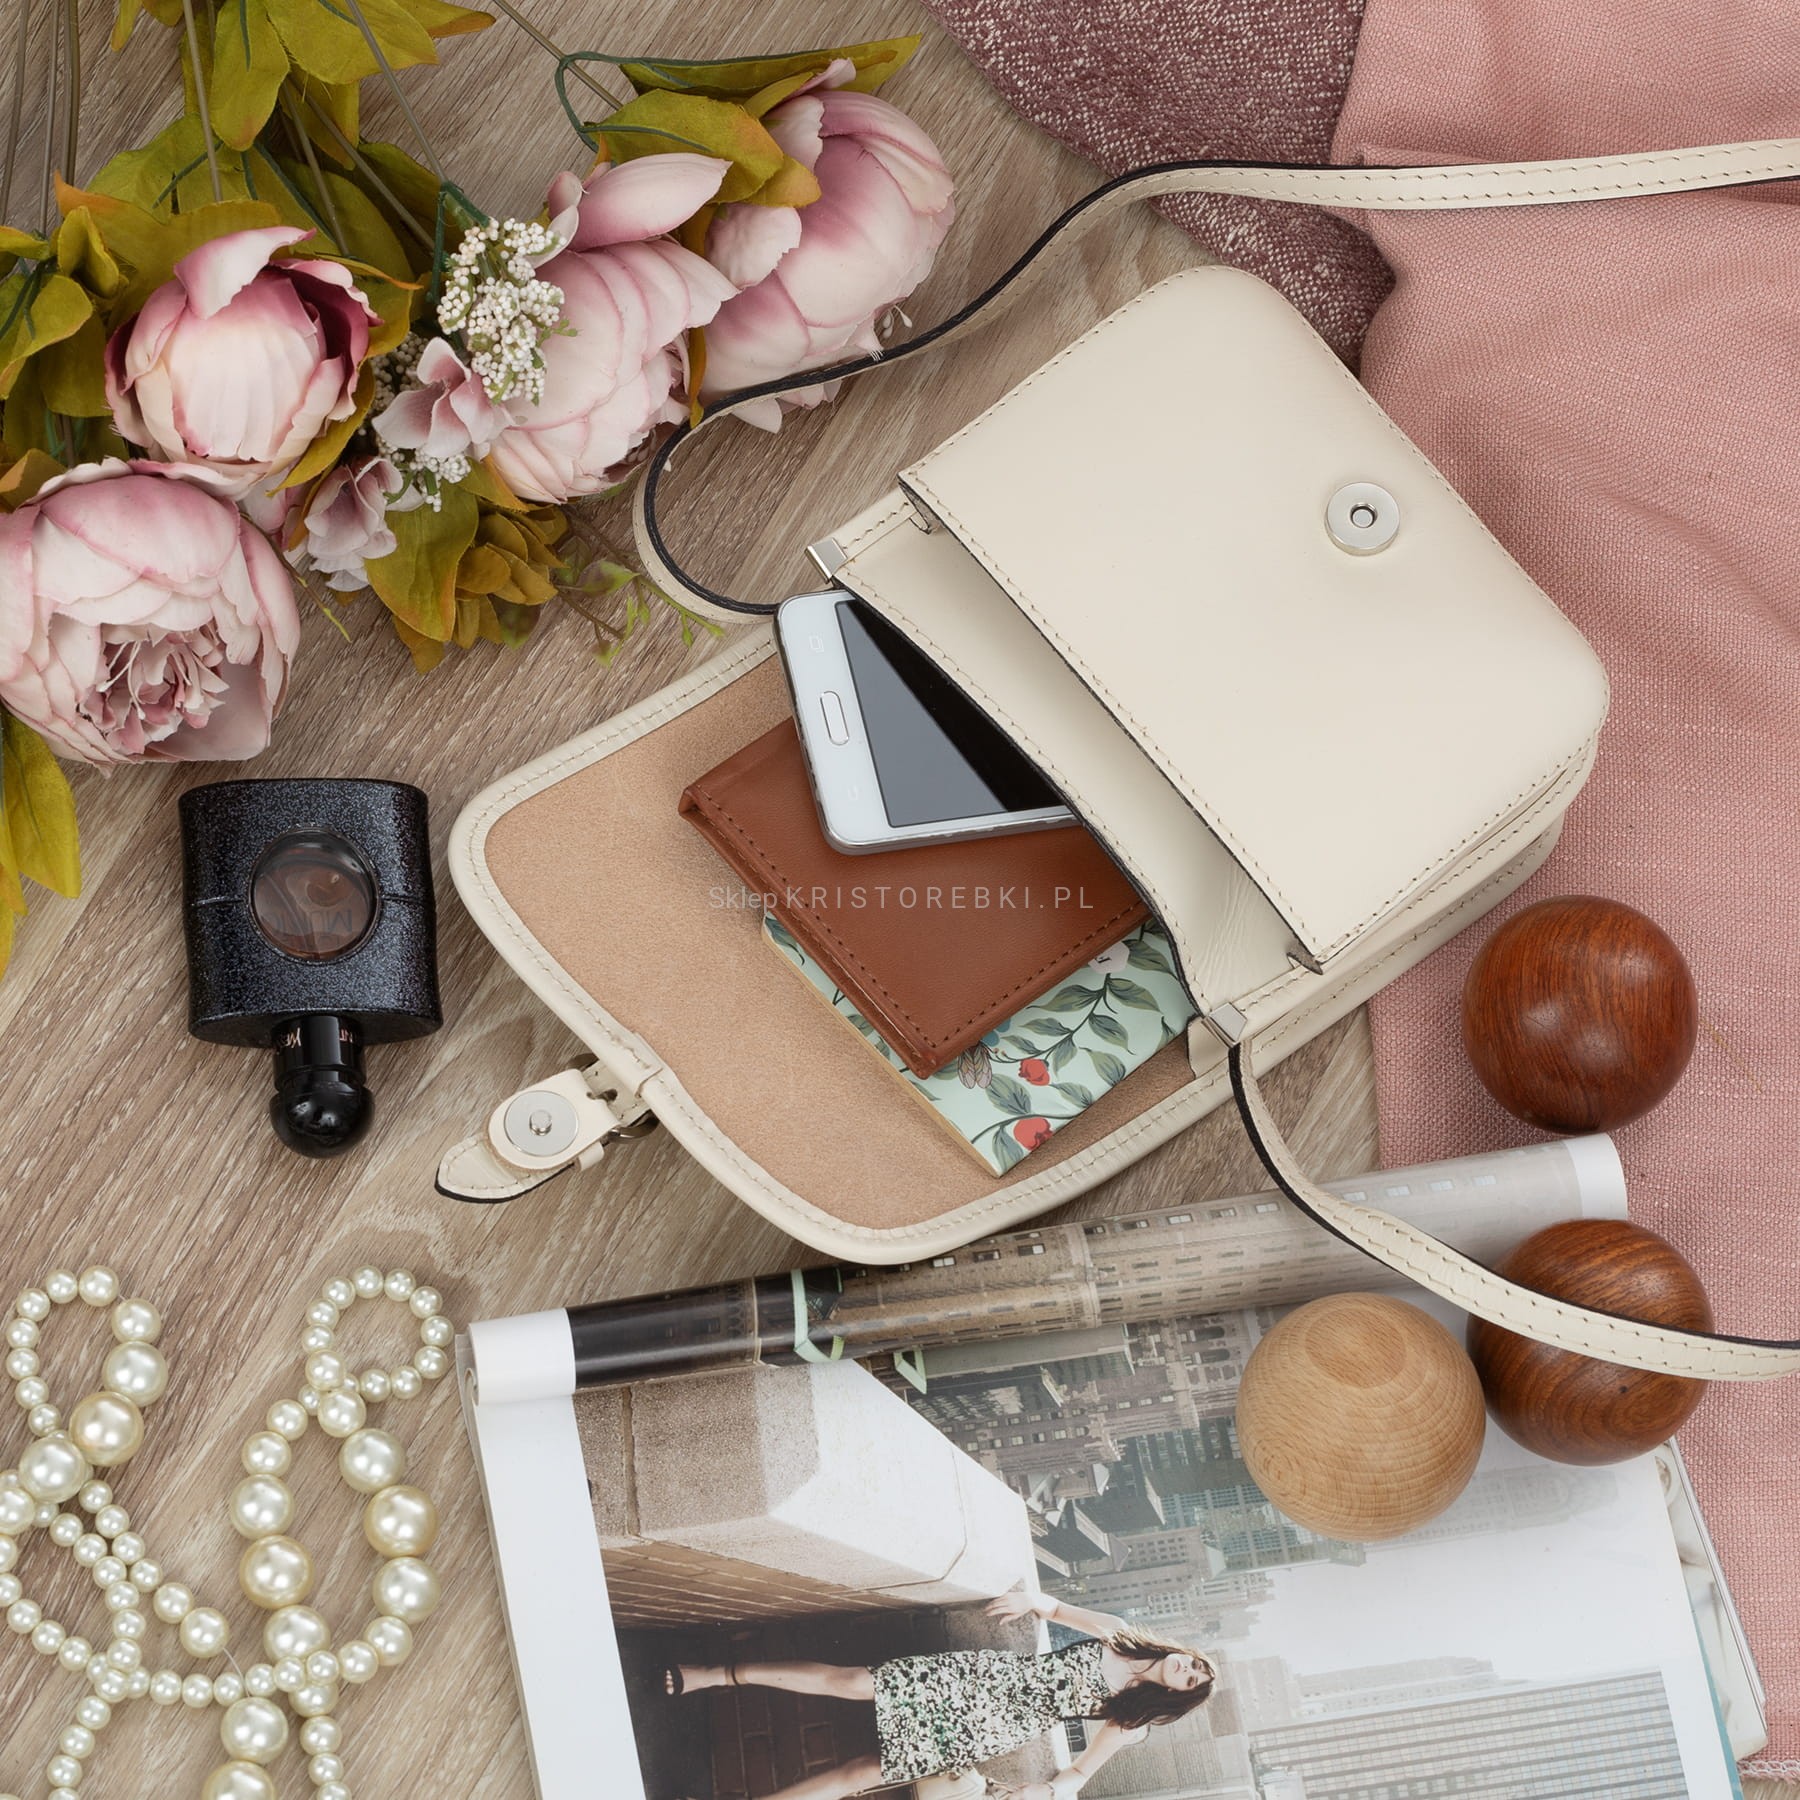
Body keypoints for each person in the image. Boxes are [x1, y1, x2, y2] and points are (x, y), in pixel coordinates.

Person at [663, 1585, 1217, 1800]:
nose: (1185, 1670)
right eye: (1193, 1663)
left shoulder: (1130, 1719)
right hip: (974, 1677)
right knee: (851, 1682)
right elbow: (1053, 1607)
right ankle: (717, 1673)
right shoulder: (1118, 1632)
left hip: (993, 1727)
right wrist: (1030, 1601)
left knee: (863, 1772)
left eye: (1190, 1680)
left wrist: (1044, 1791)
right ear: (1184, 1651)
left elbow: (1079, 1774)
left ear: (1179, 1695)